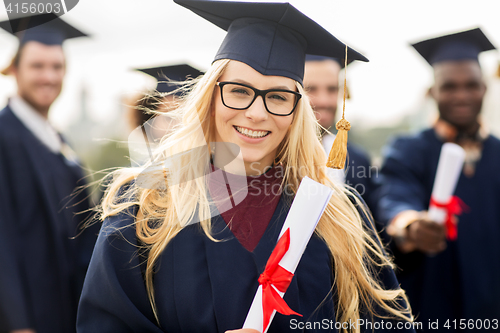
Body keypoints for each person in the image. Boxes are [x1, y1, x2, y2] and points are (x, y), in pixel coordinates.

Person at [77, 1, 415, 332]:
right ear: (210, 97)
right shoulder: (147, 205)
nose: (256, 112)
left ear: (298, 112)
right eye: (239, 91)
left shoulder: (336, 216)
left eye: (278, 96)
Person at [377, 27, 500, 331]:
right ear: (432, 92)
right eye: (449, 86)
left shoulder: (498, 152)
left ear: (485, 88)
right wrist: (411, 224)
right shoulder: (409, 150)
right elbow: (394, 194)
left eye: (471, 85)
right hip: (431, 309)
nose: (461, 95)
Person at [0, 13, 98, 333]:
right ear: (14, 69)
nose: (48, 76)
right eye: (37, 66)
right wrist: (15, 322)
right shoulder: (3, 136)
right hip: (26, 318)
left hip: (64, 310)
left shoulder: (58, 142)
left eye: (56, 67)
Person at [304, 55, 379, 216]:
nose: (324, 101)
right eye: (310, 89)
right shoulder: (270, 159)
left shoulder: (356, 159)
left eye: (332, 89)